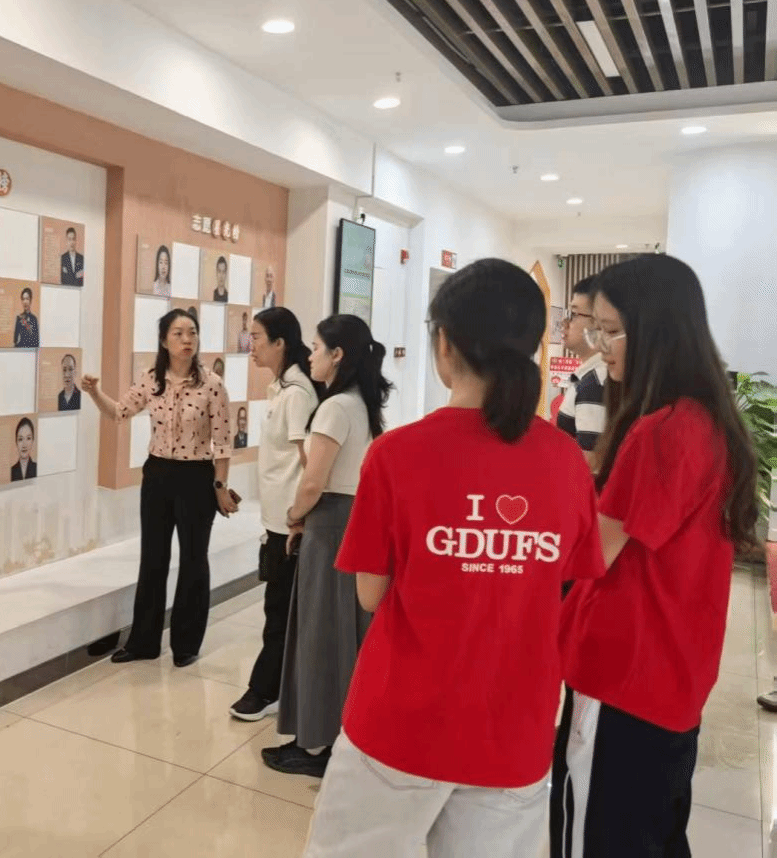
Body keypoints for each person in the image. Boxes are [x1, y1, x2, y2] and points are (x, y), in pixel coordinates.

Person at [303, 259, 604, 858]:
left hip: (400, 722)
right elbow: (567, 584)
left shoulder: (396, 455)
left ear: (444, 344)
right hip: (513, 730)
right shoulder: (567, 463)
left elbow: (370, 594)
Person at [551, 255, 759, 858]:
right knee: (654, 832)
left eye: (612, 331)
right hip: (671, 673)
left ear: (657, 332)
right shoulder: (706, 420)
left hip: (623, 673)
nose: (601, 346)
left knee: (598, 836)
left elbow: (592, 554)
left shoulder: (662, 431)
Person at [258, 313, 387, 777]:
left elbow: (313, 482)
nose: (309, 356)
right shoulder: (363, 404)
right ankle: (336, 738)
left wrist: (294, 516)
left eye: (315, 348)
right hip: (350, 520)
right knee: (341, 633)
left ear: (337, 355)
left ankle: (317, 744)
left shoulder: (335, 408)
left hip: (329, 523)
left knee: (320, 634)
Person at [83, 309, 237, 666]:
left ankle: (186, 644)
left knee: (193, 558)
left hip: (196, 476)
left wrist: (220, 486)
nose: (187, 340)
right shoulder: (152, 379)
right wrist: (94, 392)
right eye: (179, 333)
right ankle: (144, 642)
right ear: (164, 340)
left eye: (192, 332)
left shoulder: (212, 384)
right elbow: (119, 412)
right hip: (157, 475)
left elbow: (223, 442)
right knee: (153, 557)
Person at [229, 307, 318, 723]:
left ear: (280, 343)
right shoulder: (280, 388)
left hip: (291, 522)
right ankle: (278, 686)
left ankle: (264, 690)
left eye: (258, 337)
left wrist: (299, 516)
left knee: (279, 611)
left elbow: (308, 458)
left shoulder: (297, 393)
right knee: (278, 608)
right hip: (277, 519)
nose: (252, 345)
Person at [557, 276, 607, 467]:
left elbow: (591, 465)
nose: (565, 323)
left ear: (599, 322)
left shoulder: (595, 383)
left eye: (573, 314)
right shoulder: (588, 376)